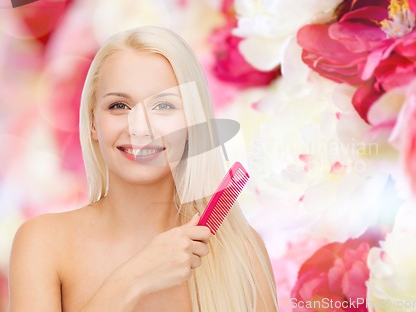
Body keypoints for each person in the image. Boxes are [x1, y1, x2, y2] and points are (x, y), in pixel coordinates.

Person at [8, 26, 278, 312]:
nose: (139, 128)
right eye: (119, 105)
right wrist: (134, 279)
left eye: (163, 106)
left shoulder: (241, 250)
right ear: (93, 123)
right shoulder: (43, 244)